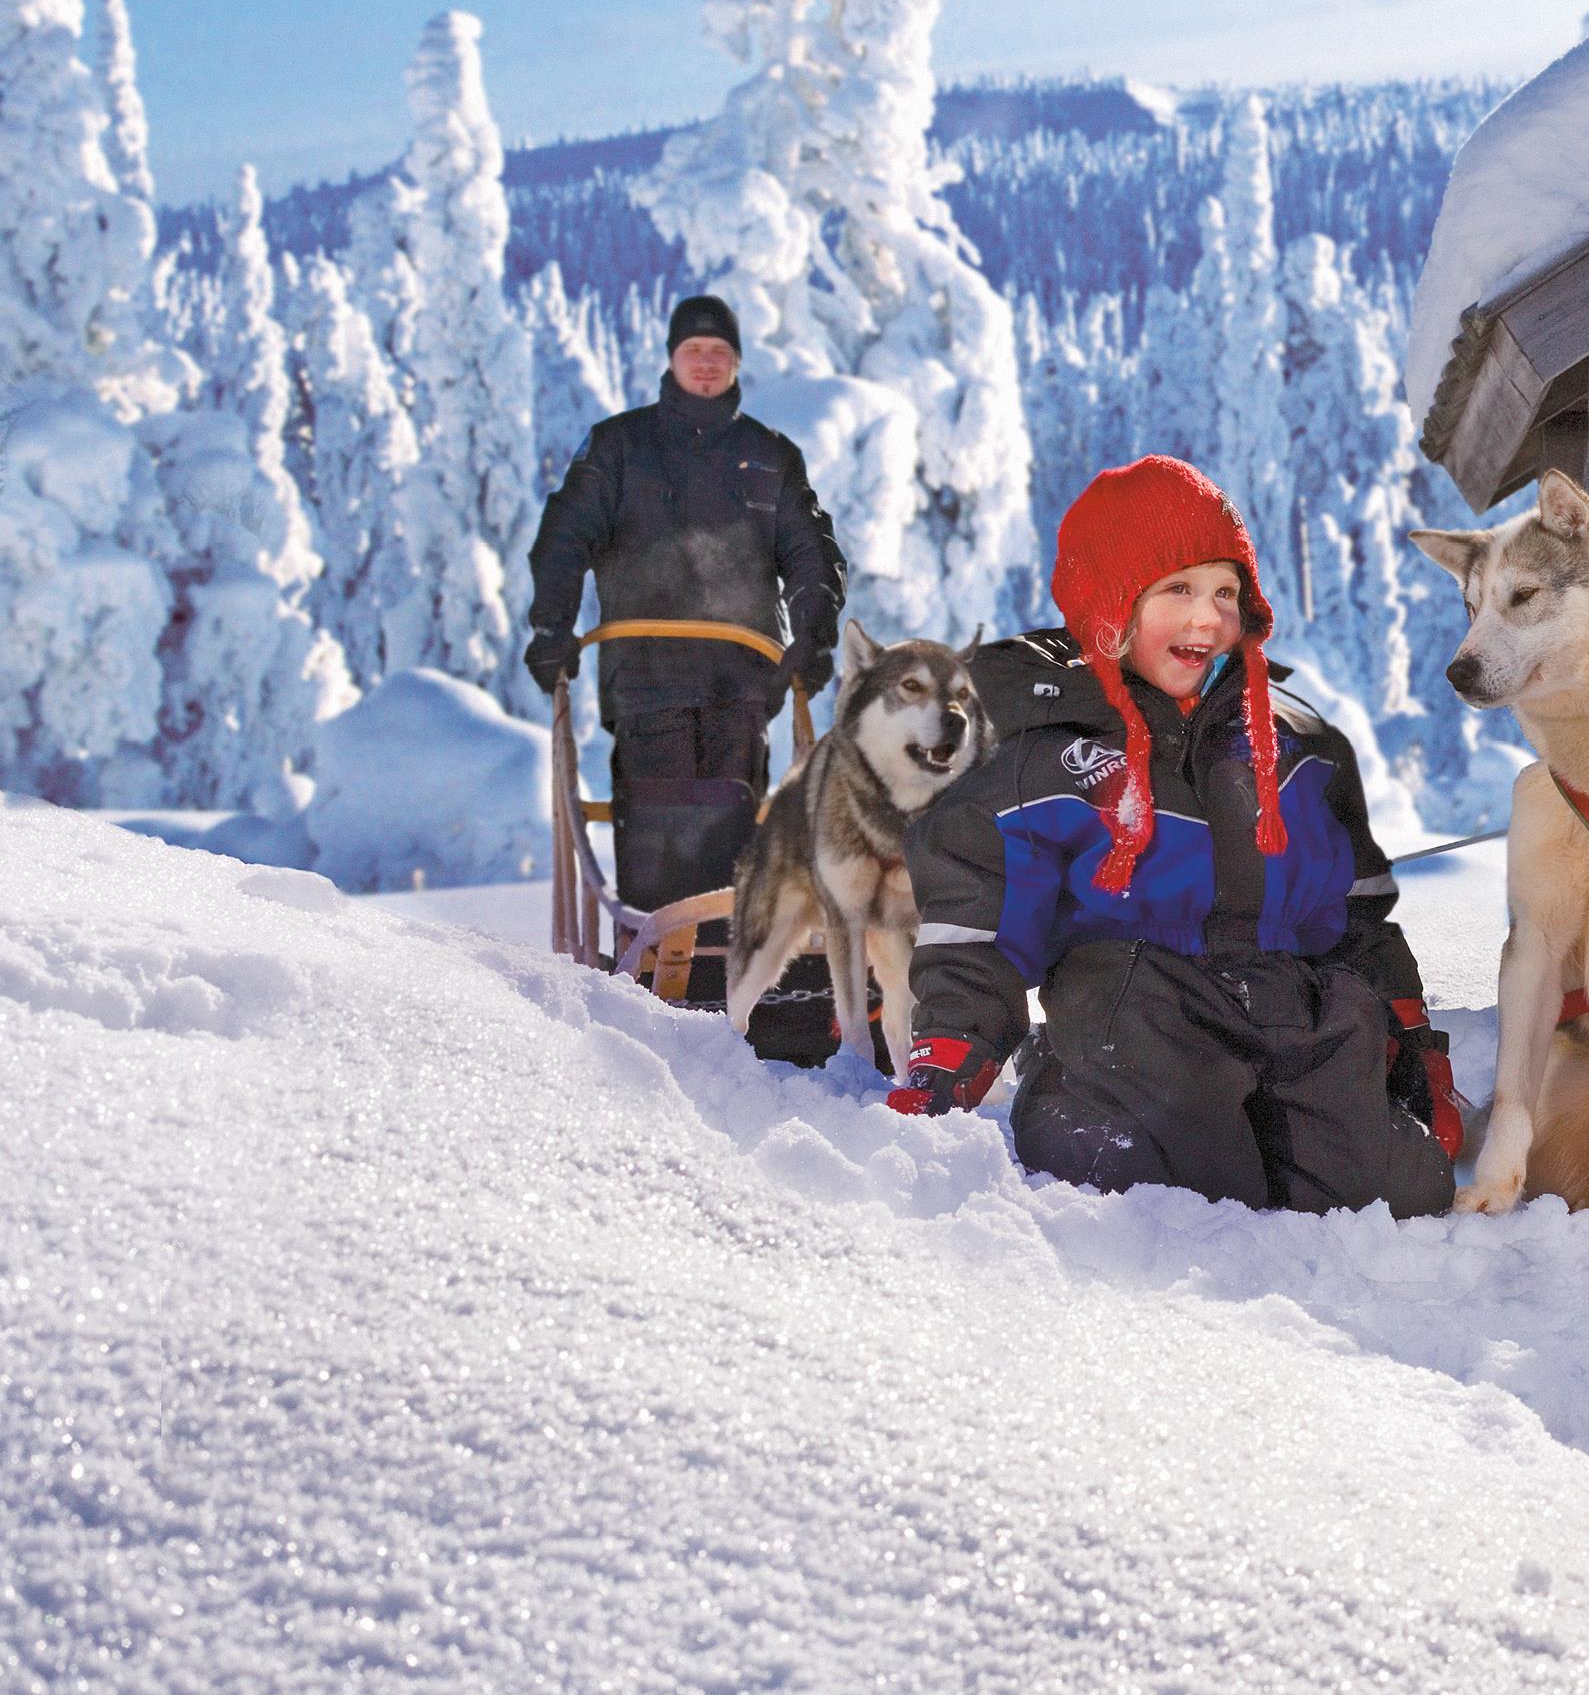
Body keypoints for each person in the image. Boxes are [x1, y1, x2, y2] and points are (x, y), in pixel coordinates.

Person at [891, 456, 1459, 1219]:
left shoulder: (1295, 746)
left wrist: (1412, 1041)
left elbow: (1354, 915)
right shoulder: (1042, 750)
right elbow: (976, 925)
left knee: (1400, 1187)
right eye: (1178, 589)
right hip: (1136, 1014)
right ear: (1109, 602)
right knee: (1164, 1173)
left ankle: (1293, 1134)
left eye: (1225, 591)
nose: (1206, 618)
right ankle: (1078, 1108)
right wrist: (950, 1055)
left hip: (1284, 1012)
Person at [524, 295, 846, 1011]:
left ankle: (729, 972)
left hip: (741, 682)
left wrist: (814, 636)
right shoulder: (617, 447)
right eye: (694, 349)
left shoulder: (770, 457)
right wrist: (551, 628)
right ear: (671, 359)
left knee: (735, 818)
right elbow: (565, 535)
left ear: (735, 363)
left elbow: (810, 554)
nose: (707, 362)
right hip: (646, 679)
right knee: (658, 815)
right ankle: (655, 972)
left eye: (720, 352)